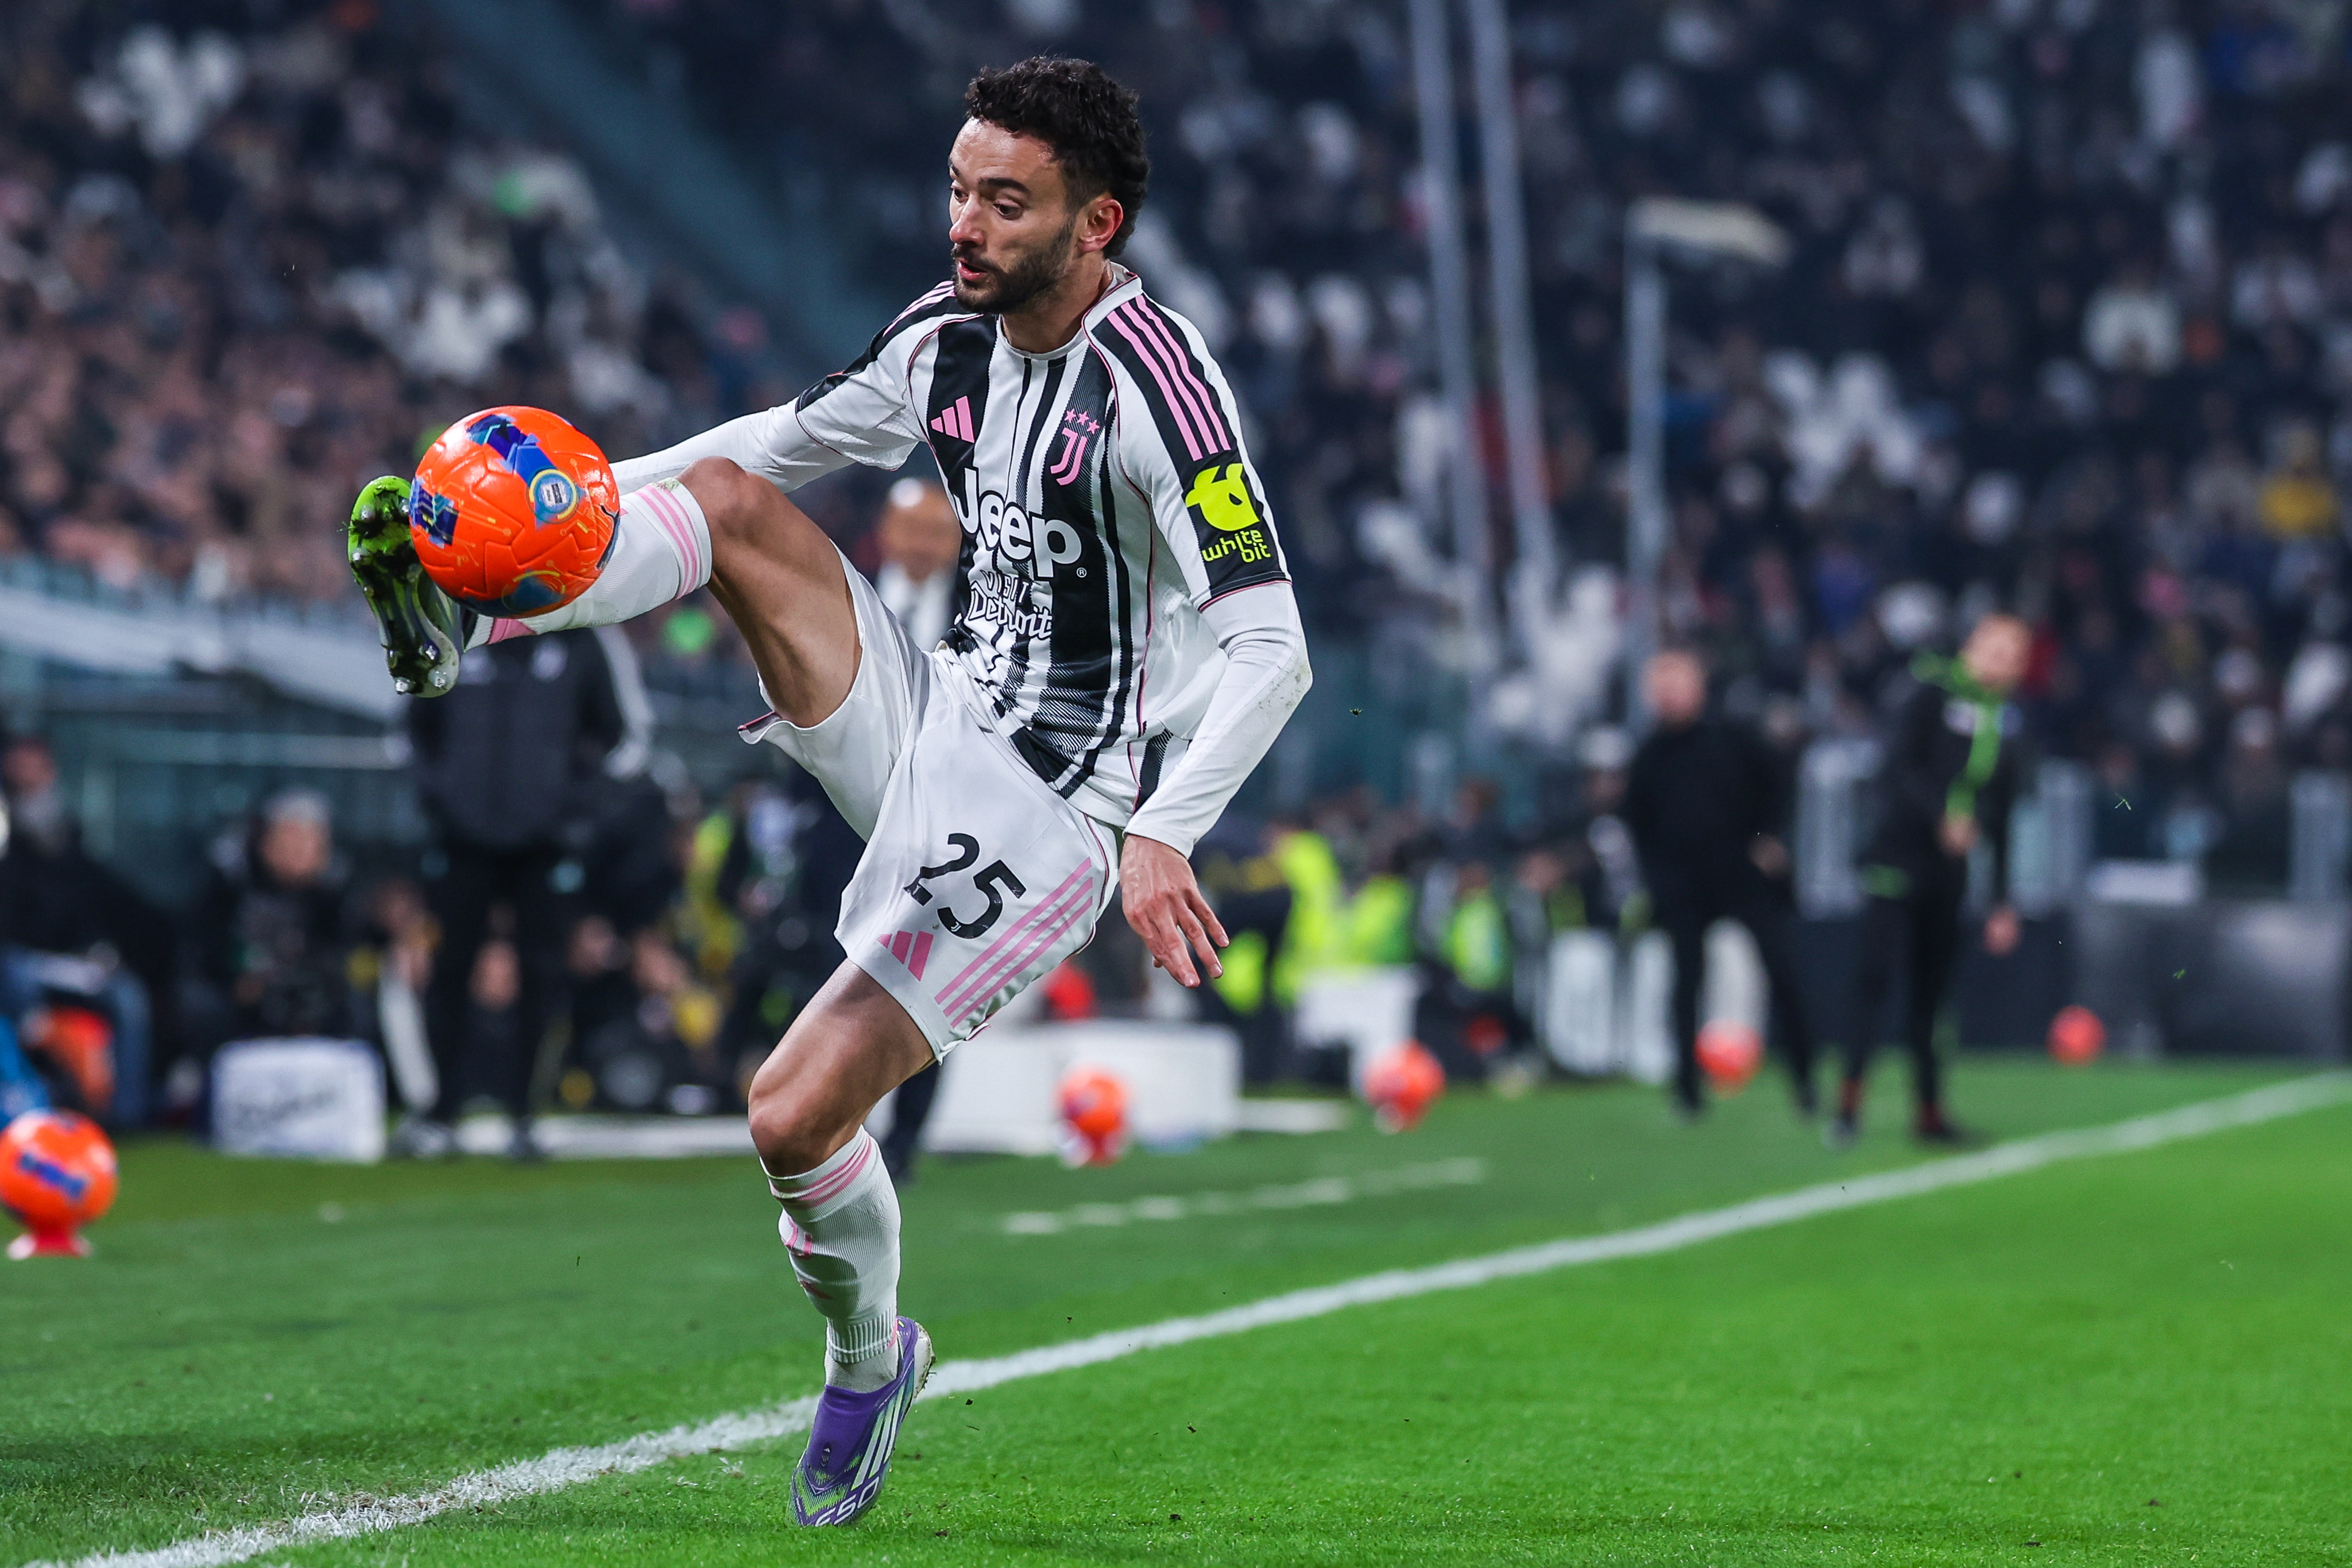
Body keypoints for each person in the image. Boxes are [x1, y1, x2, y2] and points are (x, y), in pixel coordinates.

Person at [345, 57, 1309, 1526]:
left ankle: (870, 1358)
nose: (965, 225)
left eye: (1006, 202)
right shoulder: (943, 337)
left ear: (1096, 222)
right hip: (939, 711)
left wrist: (1164, 832)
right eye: (958, 190)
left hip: (1056, 812)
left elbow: (1271, 644)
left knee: (788, 1114)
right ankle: (472, 616)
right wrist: (557, 511)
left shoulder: (1160, 391)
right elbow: (762, 450)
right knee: (733, 510)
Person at [403, 626, 644, 1159]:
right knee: (448, 970)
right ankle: (441, 1111)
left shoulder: (581, 638)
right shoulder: (449, 629)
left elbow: (622, 738)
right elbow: (412, 728)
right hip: (460, 842)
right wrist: (443, 799)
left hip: (545, 846)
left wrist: (571, 810)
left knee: (543, 975)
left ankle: (526, 1114)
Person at [1832, 613, 2030, 1149]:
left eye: (2015, 656)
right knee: (1874, 983)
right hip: (1897, 859)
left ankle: (1929, 1112)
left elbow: (2002, 816)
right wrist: (1941, 815)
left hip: (1949, 873)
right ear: (1973, 645)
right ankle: (1847, 1108)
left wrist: (2001, 900)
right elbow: (1895, 768)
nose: (2004, 663)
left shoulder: (2006, 723)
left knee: (1933, 996)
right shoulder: (1927, 692)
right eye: (1997, 649)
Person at [1624, 651, 1817, 1119]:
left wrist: (1765, 839)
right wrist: (1659, 879)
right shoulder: (1648, 757)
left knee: (1783, 972)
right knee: (1685, 984)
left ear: (1699, 687)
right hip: (1684, 885)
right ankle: (1687, 1090)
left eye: (1677, 684)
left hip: (1743, 875)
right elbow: (1639, 825)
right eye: (1661, 688)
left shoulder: (1734, 739)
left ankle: (1805, 1081)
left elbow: (1778, 786)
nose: (1670, 696)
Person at [0, 735, 172, 1127]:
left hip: (68, 961)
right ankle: (31, 1088)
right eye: (19, 769)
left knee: (127, 996)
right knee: (16, 975)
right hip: (17, 958)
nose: (28, 779)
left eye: (36, 768)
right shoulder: (9, 838)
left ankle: (124, 1115)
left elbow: (102, 900)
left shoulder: (67, 835)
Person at [194, 789, 364, 1044]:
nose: (297, 849)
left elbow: (348, 957)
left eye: (308, 839)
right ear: (265, 842)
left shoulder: (340, 896)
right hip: (241, 1023)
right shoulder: (231, 887)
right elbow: (206, 951)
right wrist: (238, 981)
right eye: (289, 837)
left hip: (321, 1025)